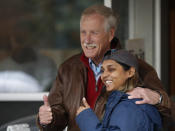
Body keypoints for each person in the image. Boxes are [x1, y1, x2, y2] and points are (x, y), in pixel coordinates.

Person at [37, 4, 172, 131]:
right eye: (83, 32)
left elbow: (168, 112)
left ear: (111, 34)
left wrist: (158, 98)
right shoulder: (68, 69)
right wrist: (48, 119)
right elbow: (57, 117)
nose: (87, 39)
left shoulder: (137, 67)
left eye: (94, 33)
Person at [76, 49, 162, 131]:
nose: (104, 75)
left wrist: (86, 118)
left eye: (111, 69)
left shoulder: (129, 107)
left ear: (130, 72)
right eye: (102, 71)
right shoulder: (124, 103)